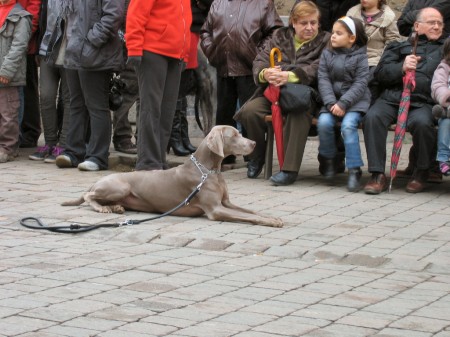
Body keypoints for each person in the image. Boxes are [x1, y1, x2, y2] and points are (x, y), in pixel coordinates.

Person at [234, 0, 330, 185]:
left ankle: (289, 169)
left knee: (297, 111)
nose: (310, 27)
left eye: (313, 22)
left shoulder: (326, 40)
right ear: (293, 22)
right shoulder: (279, 35)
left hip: (306, 94)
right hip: (275, 91)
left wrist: (291, 75)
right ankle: (257, 156)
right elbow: (260, 59)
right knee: (250, 111)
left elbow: (321, 67)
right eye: (304, 23)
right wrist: (265, 73)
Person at [363, 7, 445, 194]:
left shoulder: (444, 49)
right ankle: (377, 174)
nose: (436, 26)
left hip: (423, 101)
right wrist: (402, 67)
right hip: (392, 98)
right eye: (432, 22)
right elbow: (380, 74)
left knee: (423, 124)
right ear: (417, 25)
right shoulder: (398, 46)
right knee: (373, 117)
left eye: (440, 23)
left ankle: (421, 172)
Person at [200, 0, 283, 164]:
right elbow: (205, 31)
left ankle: (253, 157)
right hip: (223, 66)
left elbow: (276, 31)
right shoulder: (218, 3)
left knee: (249, 114)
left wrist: (258, 53)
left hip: (249, 68)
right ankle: (224, 155)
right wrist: (212, 50)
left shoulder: (263, 3)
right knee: (224, 113)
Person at [55, 0, 124, 171]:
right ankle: (73, 152)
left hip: (94, 53)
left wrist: (91, 41)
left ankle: (98, 156)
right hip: (73, 51)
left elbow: (113, 16)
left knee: (97, 106)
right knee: (76, 104)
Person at [126, 0, 192, 171]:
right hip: (152, 50)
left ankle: (159, 160)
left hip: (175, 54)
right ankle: (148, 163)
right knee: (151, 108)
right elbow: (136, 13)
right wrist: (134, 47)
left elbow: (185, 20)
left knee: (167, 112)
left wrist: (184, 54)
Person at [317, 16, 370, 192]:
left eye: (339, 33)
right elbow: (323, 79)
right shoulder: (326, 54)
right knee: (324, 123)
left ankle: (354, 169)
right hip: (331, 103)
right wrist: (332, 102)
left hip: (355, 103)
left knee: (348, 126)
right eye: (333, 32)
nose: (333, 36)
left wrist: (344, 103)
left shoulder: (361, 56)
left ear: (352, 38)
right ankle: (330, 160)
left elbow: (361, 83)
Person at [168, 0, 213, 157]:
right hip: (178, 28)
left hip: (192, 28)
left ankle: (181, 135)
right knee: (177, 87)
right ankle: (175, 137)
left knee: (183, 86)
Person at [28, 0, 71, 163]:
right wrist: (39, 49)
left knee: (68, 99)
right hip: (47, 49)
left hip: (70, 51)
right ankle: (49, 142)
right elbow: (41, 21)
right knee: (46, 96)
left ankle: (64, 144)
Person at [346, 0, 401, 102]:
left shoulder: (387, 17)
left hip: (376, 58)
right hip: (353, 55)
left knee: (372, 76)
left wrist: (383, 57)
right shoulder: (352, 14)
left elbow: (392, 41)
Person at [0, 0, 31, 163]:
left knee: (8, 113)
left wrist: (6, 70)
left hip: (8, 76)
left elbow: (19, 46)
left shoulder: (21, 17)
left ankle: (8, 147)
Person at [112, 0, 138, 155]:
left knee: (141, 96)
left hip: (138, 44)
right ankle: (122, 137)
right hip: (127, 46)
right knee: (126, 92)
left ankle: (140, 138)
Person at [17, 0, 41, 149]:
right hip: (6, 42)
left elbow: (34, 12)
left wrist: (22, 36)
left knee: (28, 90)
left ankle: (30, 133)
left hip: (25, 44)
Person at [431, 37, 450, 176]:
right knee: (445, 123)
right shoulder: (444, 67)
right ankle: (444, 158)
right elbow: (438, 86)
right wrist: (446, 96)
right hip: (448, 104)